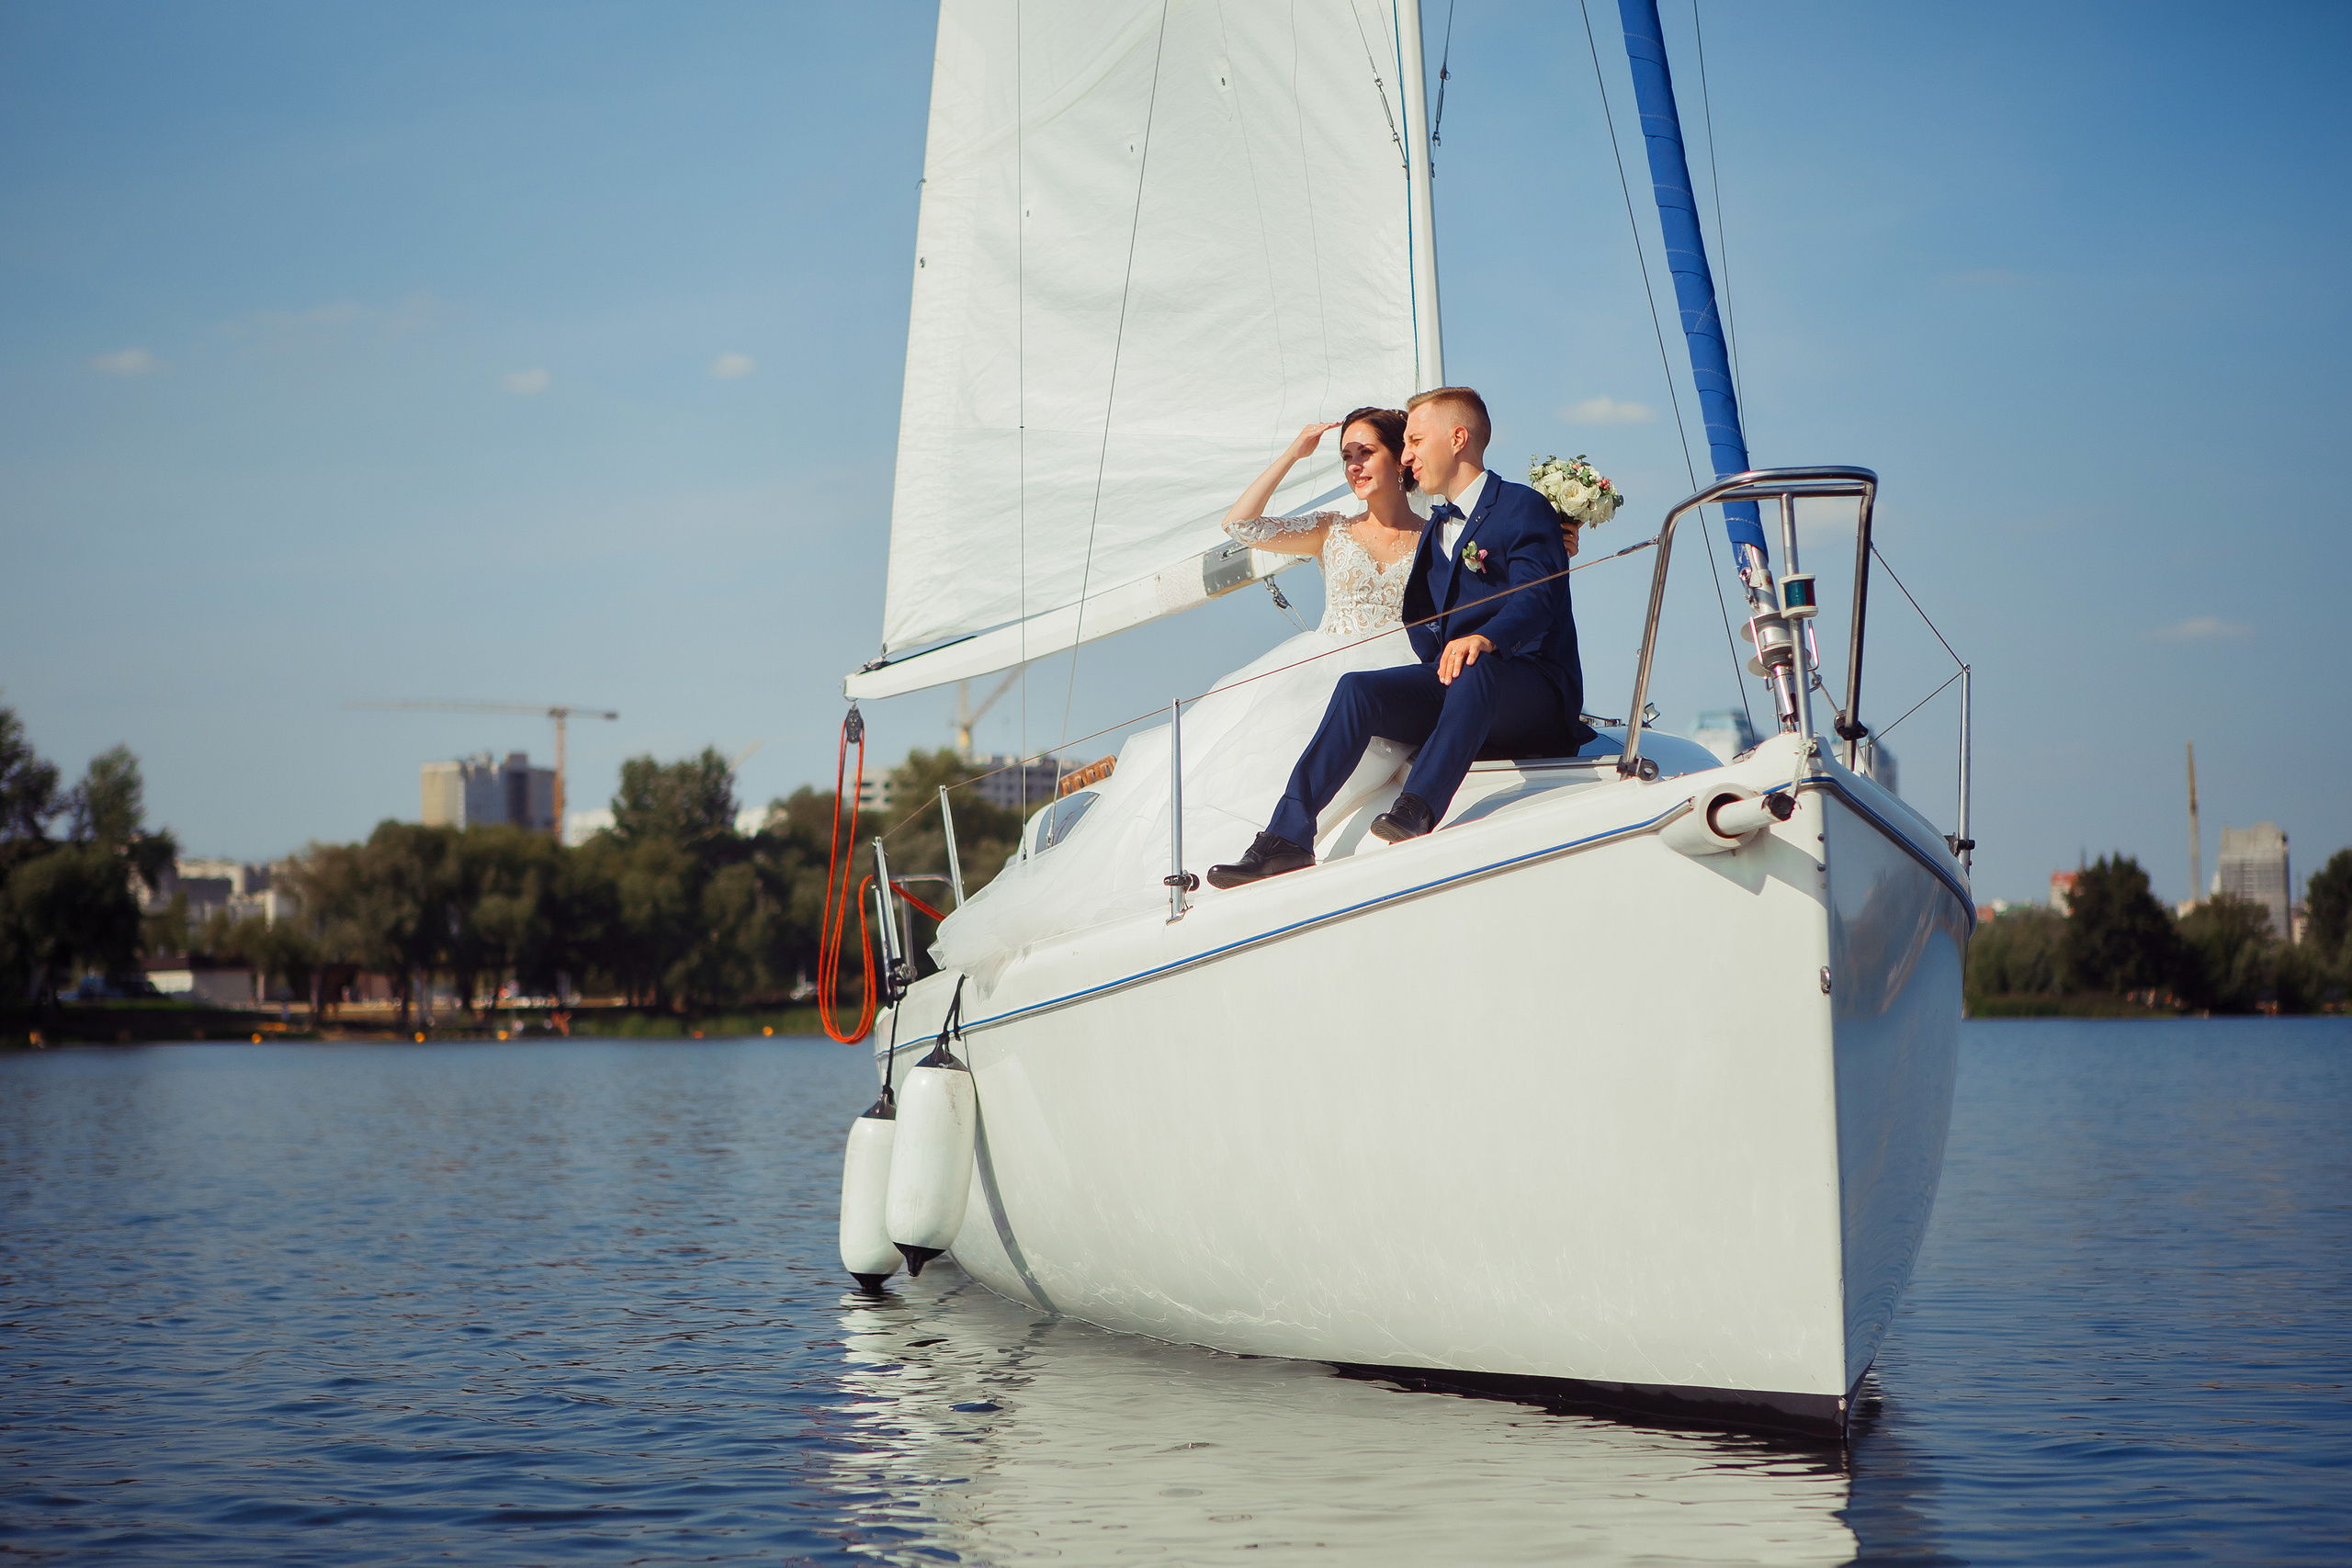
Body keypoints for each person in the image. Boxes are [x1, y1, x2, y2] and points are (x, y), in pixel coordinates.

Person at [928, 407, 1426, 971]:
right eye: (1347, 457)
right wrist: (1294, 455)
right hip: (1322, 667)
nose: (1354, 466)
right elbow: (1240, 526)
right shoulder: (1333, 529)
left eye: (1366, 452)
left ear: (1400, 456)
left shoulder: (1435, 535)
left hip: (1399, 666)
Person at [1207, 386, 1594, 887]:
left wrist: (1488, 637)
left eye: (1414, 441)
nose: (1408, 456)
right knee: (1357, 688)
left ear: (1457, 439)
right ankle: (1286, 840)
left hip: (1531, 692)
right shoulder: (1436, 529)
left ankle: (1418, 806)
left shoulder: (1522, 506)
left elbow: (1537, 599)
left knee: (1474, 666)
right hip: (1462, 684)